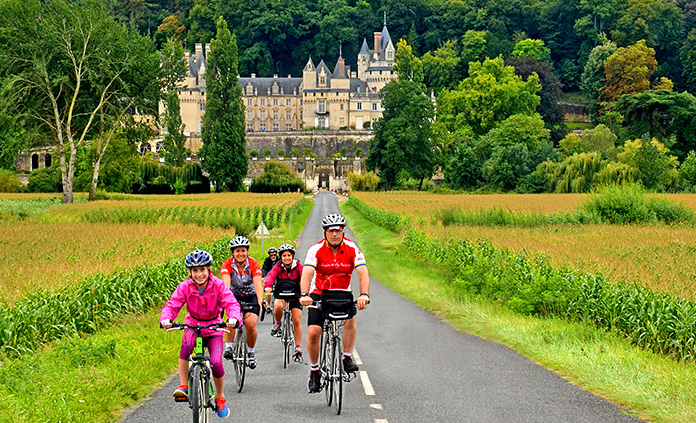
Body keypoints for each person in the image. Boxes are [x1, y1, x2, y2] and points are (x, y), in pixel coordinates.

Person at [160, 249, 241, 419]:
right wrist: (166, 318)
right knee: (186, 347)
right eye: (195, 270)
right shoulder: (185, 287)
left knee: (217, 363)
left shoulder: (218, 285)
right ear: (190, 272)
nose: (199, 274)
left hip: (214, 327)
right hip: (193, 324)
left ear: (209, 270)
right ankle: (183, 386)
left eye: (202, 269)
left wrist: (233, 317)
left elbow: (231, 303)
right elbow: (173, 305)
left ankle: (220, 397)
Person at [299, 213, 370, 393]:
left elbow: (363, 273)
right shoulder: (315, 249)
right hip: (319, 293)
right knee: (314, 331)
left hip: (342, 293)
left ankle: (346, 357)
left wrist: (364, 295)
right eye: (331, 231)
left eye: (338, 231)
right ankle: (315, 371)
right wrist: (304, 294)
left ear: (342, 231)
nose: (335, 234)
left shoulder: (352, 248)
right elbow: (307, 273)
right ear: (325, 232)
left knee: (350, 320)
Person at [220, 235, 264, 369]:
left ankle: (250, 353)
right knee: (231, 321)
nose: (240, 254)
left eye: (243, 250)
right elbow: (226, 284)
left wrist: (261, 301)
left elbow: (257, 284)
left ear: (247, 252)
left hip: (251, 296)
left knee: (250, 324)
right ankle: (228, 348)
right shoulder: (227, 264)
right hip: (233, 298)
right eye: (237, 251)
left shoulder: (253, 264)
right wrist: (224, 301)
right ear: (233, 253)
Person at [264, 243, 304, 359]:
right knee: (277, 306)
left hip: (295, 297)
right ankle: (278, 323)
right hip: (281, 295)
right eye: (284, 256)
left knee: (296, 320)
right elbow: (270, 276)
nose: (287, 258)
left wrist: (306, 291)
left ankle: (297, 346)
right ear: (280, 257)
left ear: (292, 256)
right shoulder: (278, 267)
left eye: (289, 255)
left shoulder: (298, 266)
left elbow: (305, 277)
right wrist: (268, 286)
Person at [261, 247, 280, 314]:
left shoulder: (279, 259)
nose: (273, 256)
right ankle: (268, 305)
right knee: (268, 290)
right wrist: (264, 276)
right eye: (271, 255)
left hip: (278, 277)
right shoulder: (267, 260)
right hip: (270, 277)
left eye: (274, 255)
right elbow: (264, 269)